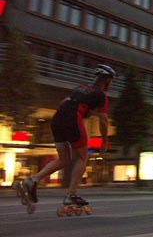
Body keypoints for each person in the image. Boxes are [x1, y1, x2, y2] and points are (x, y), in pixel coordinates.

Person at [22, 64, 117, 206]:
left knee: (64, 159)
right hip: (72, 119)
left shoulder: (81, 88)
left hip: (57, 118)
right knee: (82, 158)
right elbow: (103, 120)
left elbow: (64, 102)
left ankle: (32, 180)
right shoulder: (101, 95)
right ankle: (71, 195)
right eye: (112, 81)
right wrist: (104, 141)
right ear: (108, 80)